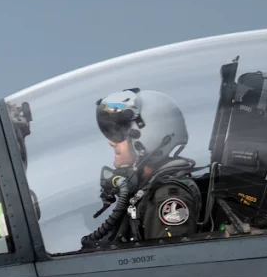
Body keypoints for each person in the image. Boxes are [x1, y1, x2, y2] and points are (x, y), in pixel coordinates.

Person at [80, 88, 202, 248]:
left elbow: (167, 262)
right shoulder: (145, 189)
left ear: (149, 136)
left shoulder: (167, 196)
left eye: (119, 133)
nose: (112, 142)